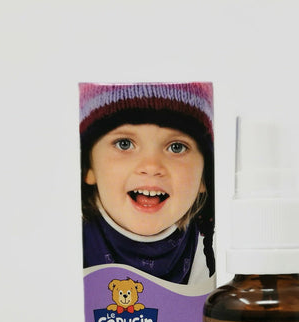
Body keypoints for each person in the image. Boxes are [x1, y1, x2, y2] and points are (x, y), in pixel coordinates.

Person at [79, 82, 215, 285]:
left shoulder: (207, 251)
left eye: (176, 147)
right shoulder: (66, 246)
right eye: (124, 144)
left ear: (204, 176)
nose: (151, 166)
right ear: (89, 168)